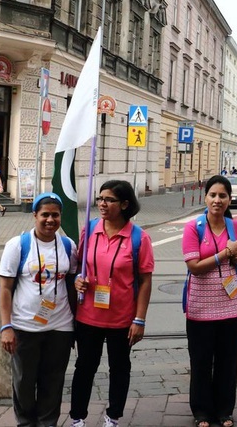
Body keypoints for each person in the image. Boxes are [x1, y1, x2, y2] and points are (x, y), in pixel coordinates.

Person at [69, 180, 154, 427]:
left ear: (125, 204)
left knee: (119, 368)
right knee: (84, 367)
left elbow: (145, 281)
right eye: (100, 198)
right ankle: (77, 417)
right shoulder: (90, 228)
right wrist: (78, 281)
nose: (102, 204)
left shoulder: (139, 238)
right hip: (88, 315)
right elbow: (78, 267)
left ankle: (113, 415)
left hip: (121, 319)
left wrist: (139, 319)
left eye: (109, 200)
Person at [0, 192, 78, 427]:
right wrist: (6, 326)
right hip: (24, 327)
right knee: (23, 382)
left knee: (53, 381)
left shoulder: (67, 245)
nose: (50, 220)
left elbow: (72, 285)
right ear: (35, 215)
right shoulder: (18, 245)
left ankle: (47, 423)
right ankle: (25, 423)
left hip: (60, 326)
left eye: (55, 215)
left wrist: (76, 324)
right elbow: (4, 288)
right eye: (45, 214)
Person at [182, 175, 237, 427]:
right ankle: (201, 411)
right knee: (201, 361)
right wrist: (225, 253)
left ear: (229, 199)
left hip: (231, 307)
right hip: (200, 307)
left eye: (223, 196)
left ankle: (225, 411)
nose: (217, 200)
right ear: (205, 197)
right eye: (213, 195)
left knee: (227, 361)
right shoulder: (194, 227)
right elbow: (194, 267)